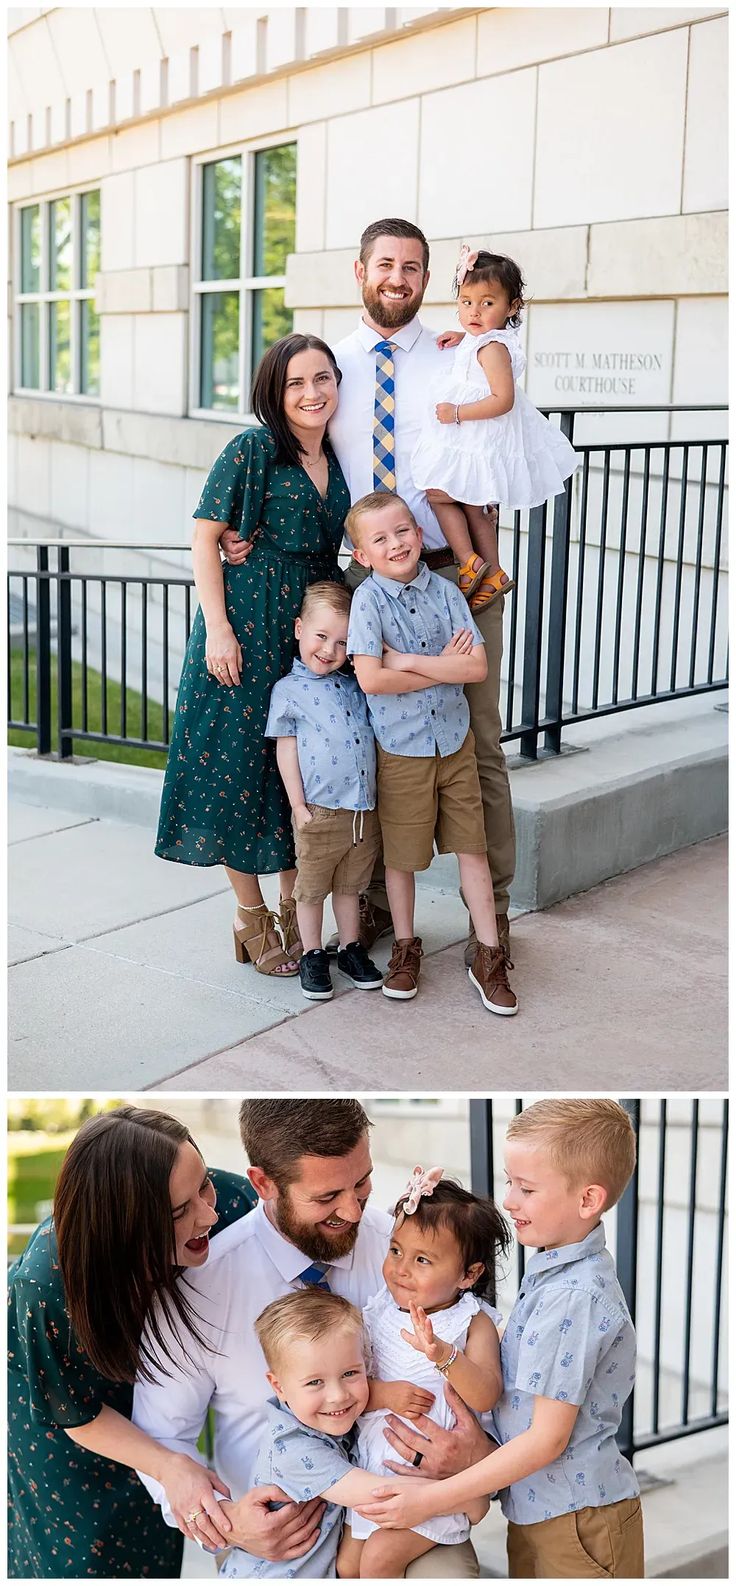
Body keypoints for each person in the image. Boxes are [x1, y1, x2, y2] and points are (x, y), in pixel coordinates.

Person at [220, 219, 516, 973]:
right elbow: (291, 449)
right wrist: (238, 530)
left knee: (476, 744)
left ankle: (496, 920)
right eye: (386, 264)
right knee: (377, 741)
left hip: (456, 571)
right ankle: (378, 905)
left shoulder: (457, 354)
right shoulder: (331, 369)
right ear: (360, 272)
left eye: (413, 268)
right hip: (364, 582)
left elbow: (495, 430)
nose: (399, 278)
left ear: (426, 280)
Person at [133, 1099, 498, 1578]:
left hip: (413, 1527)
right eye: (327, 1198)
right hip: (275, 1544)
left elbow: (491, 1383)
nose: (351, 1210)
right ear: (263, 1183)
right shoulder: (197, 1290)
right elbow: (164, 1439)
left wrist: (480, 1461)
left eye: (362, 1183)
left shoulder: (412, 1255)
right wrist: (228, 1525)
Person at [355, 1100, 645, 1581]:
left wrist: (429, 1499)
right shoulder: (555, 1268)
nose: (509, 1200)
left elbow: (546, 1440)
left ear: (588, 1200)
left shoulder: (573, 1295)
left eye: (526, 1188)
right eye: (511, 1182)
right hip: (538, 1509)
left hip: (576, 1520)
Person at [155, 333, 349, 976]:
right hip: (243, 629)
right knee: (236, 773)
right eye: (296, 383)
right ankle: (251, 916)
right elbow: (206, 538)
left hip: (305, 639)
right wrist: (217, 630)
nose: (312, 393)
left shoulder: (339, 458)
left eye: (322, 378)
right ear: (275, 391)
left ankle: (297, 907)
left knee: (290, 769)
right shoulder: (253, 449)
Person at [7, 1106, 258, 1578]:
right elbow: (72, 1410)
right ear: (124, 1225)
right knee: (89, 1559)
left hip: (163, 1394)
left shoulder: (228, 1203)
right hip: (74, 1423)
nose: (210, 1212)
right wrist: (168, 1464)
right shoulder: (45, 1285)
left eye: (204, 1183)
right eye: (180, 1211)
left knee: (156, 1547)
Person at [346, 491, 518, 1014]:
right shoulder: (367, 602)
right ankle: (404, 947)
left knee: (473, 850)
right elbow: (371, 679)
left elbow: (475, 670)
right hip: (402, 752)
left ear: (421, 535)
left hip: (455, 745)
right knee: (401, 859)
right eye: (381, 538)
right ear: (362, 556)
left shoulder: (447, 593)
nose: (396, 543)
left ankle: (488, 955)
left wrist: (406, 660)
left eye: (404, 531)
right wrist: (434, 663)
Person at [339, 1170, 507, 1579]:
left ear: (468, 1275)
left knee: (380, 1558)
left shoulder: (470, 1322)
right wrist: (383, 1394)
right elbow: (352, 1383)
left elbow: (486, 1395)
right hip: (375, 1476)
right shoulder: (377, 1311)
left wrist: (445, 1355)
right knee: (346, 1564)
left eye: (422, 1260)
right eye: (396, 1251)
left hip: (432, 1486)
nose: (401, 1269)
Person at [412, 246, 578, 610]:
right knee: (473, 505)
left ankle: (470, 561)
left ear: (512, 307)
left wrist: (457, 412)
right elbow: (480, 341)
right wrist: (464, 337)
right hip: (476, 438)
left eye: (487, 303)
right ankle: (495, 573)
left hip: (478, 434)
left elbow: (503, 399)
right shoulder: (483, 341)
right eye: (466, 301)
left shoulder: (491, 349)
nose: (474, 311)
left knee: (438, 493)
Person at [220, 1289, 426, 1579]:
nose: (338, 1396)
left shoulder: (320, 1421)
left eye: (350, 1374)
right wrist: (464, 1493)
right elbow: (382, 1496)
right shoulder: (293, 1449)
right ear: (278, 1386)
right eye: (315, 1382)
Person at [265, 581, 382, 1003]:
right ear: (299, 629)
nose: (330, 650)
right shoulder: (289, 691)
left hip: (361, 811)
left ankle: (350, 948)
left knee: (351, 887)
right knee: (312, 889)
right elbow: (287, 751)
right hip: (319, 810)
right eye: (321, 636)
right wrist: (298, 806)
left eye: (342, 642)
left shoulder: (355, 685)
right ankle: (313, 954)